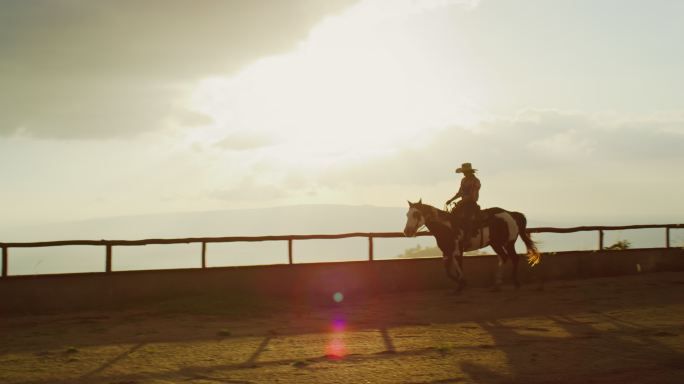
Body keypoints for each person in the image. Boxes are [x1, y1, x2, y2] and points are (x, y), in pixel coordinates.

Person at [446, 162, 481, 239]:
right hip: (462, 203)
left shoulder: (475, 181)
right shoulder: (463, 180)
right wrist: (451, 200)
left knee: (467, 218)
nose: (464, 174)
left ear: (470, 172)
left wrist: (461, 202)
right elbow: (460, 193)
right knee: (452, 215)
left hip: (471, 203)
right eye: (463, 172)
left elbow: (472, 195)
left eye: (465, 172)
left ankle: (467, 237)